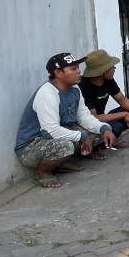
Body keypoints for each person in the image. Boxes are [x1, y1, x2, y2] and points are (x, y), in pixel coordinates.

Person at [15, 53, 117, 188]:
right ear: (58, 73)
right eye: (73, 69)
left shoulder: (75, 90)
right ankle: (42, 173)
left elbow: (84, 117)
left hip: (55, 138)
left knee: (98, 132)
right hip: (31, 147)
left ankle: (61, 163)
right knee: (66, 146)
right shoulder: (47, 94)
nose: (79, 71)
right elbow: (50, 131)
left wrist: (104, 128)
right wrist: (82, 136)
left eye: (78, 68)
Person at [78, 49, 129, 143]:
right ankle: (102, 143)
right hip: (92, 123)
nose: (114, 68)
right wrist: (125, 114)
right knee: (116, 127)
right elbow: (94, 117)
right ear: (103, 71)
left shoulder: (108, 80)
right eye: (111, 66)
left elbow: (121, 99)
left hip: (104, 118)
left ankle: (112, 135)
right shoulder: (84, 86)